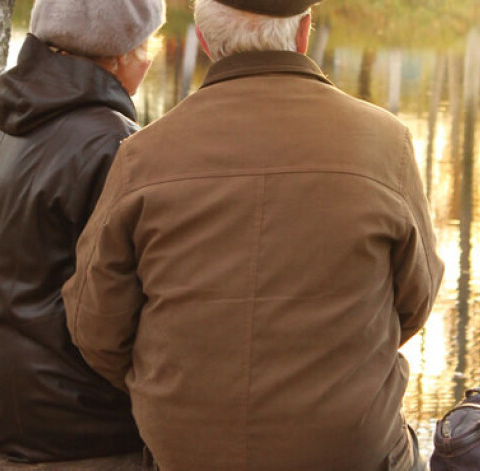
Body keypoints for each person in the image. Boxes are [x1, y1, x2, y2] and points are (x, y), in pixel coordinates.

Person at [62, 0, 444, 469]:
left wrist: (176, 390)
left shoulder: (141, 155)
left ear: (204, 43)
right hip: (349, 453)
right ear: (304, 32)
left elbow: (94, 325)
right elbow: (415, 301)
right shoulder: (386, 143)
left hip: (189, 454)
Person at [0, 0, 165, 462]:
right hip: (72, 416)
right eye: (149, 49)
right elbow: (127, 305)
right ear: (120, 58)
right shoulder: (117, 146)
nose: (149, 64)